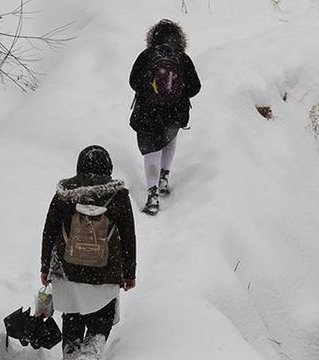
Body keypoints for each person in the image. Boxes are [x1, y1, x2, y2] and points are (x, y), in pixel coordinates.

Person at [40, 145, 137, 360]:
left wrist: (45, 267)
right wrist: (129, 273)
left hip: (67, 270)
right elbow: (128, 236)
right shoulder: (118, 196)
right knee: (102, 313)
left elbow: (49, 231)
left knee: (72, 314)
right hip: (106, 271)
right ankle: (91, 351)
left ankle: (72, 353)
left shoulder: (65, 194)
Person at [129, 19, 201, 215]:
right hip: (174, 114)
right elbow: (195, 87)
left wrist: (150, 91)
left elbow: (133, 81)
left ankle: (152, 195)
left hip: (147, 114)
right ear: (179, 39)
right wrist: (177, 93)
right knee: (168, 139)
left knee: (151, 150)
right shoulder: (182, 59)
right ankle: (164, 177)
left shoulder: (146, 56)